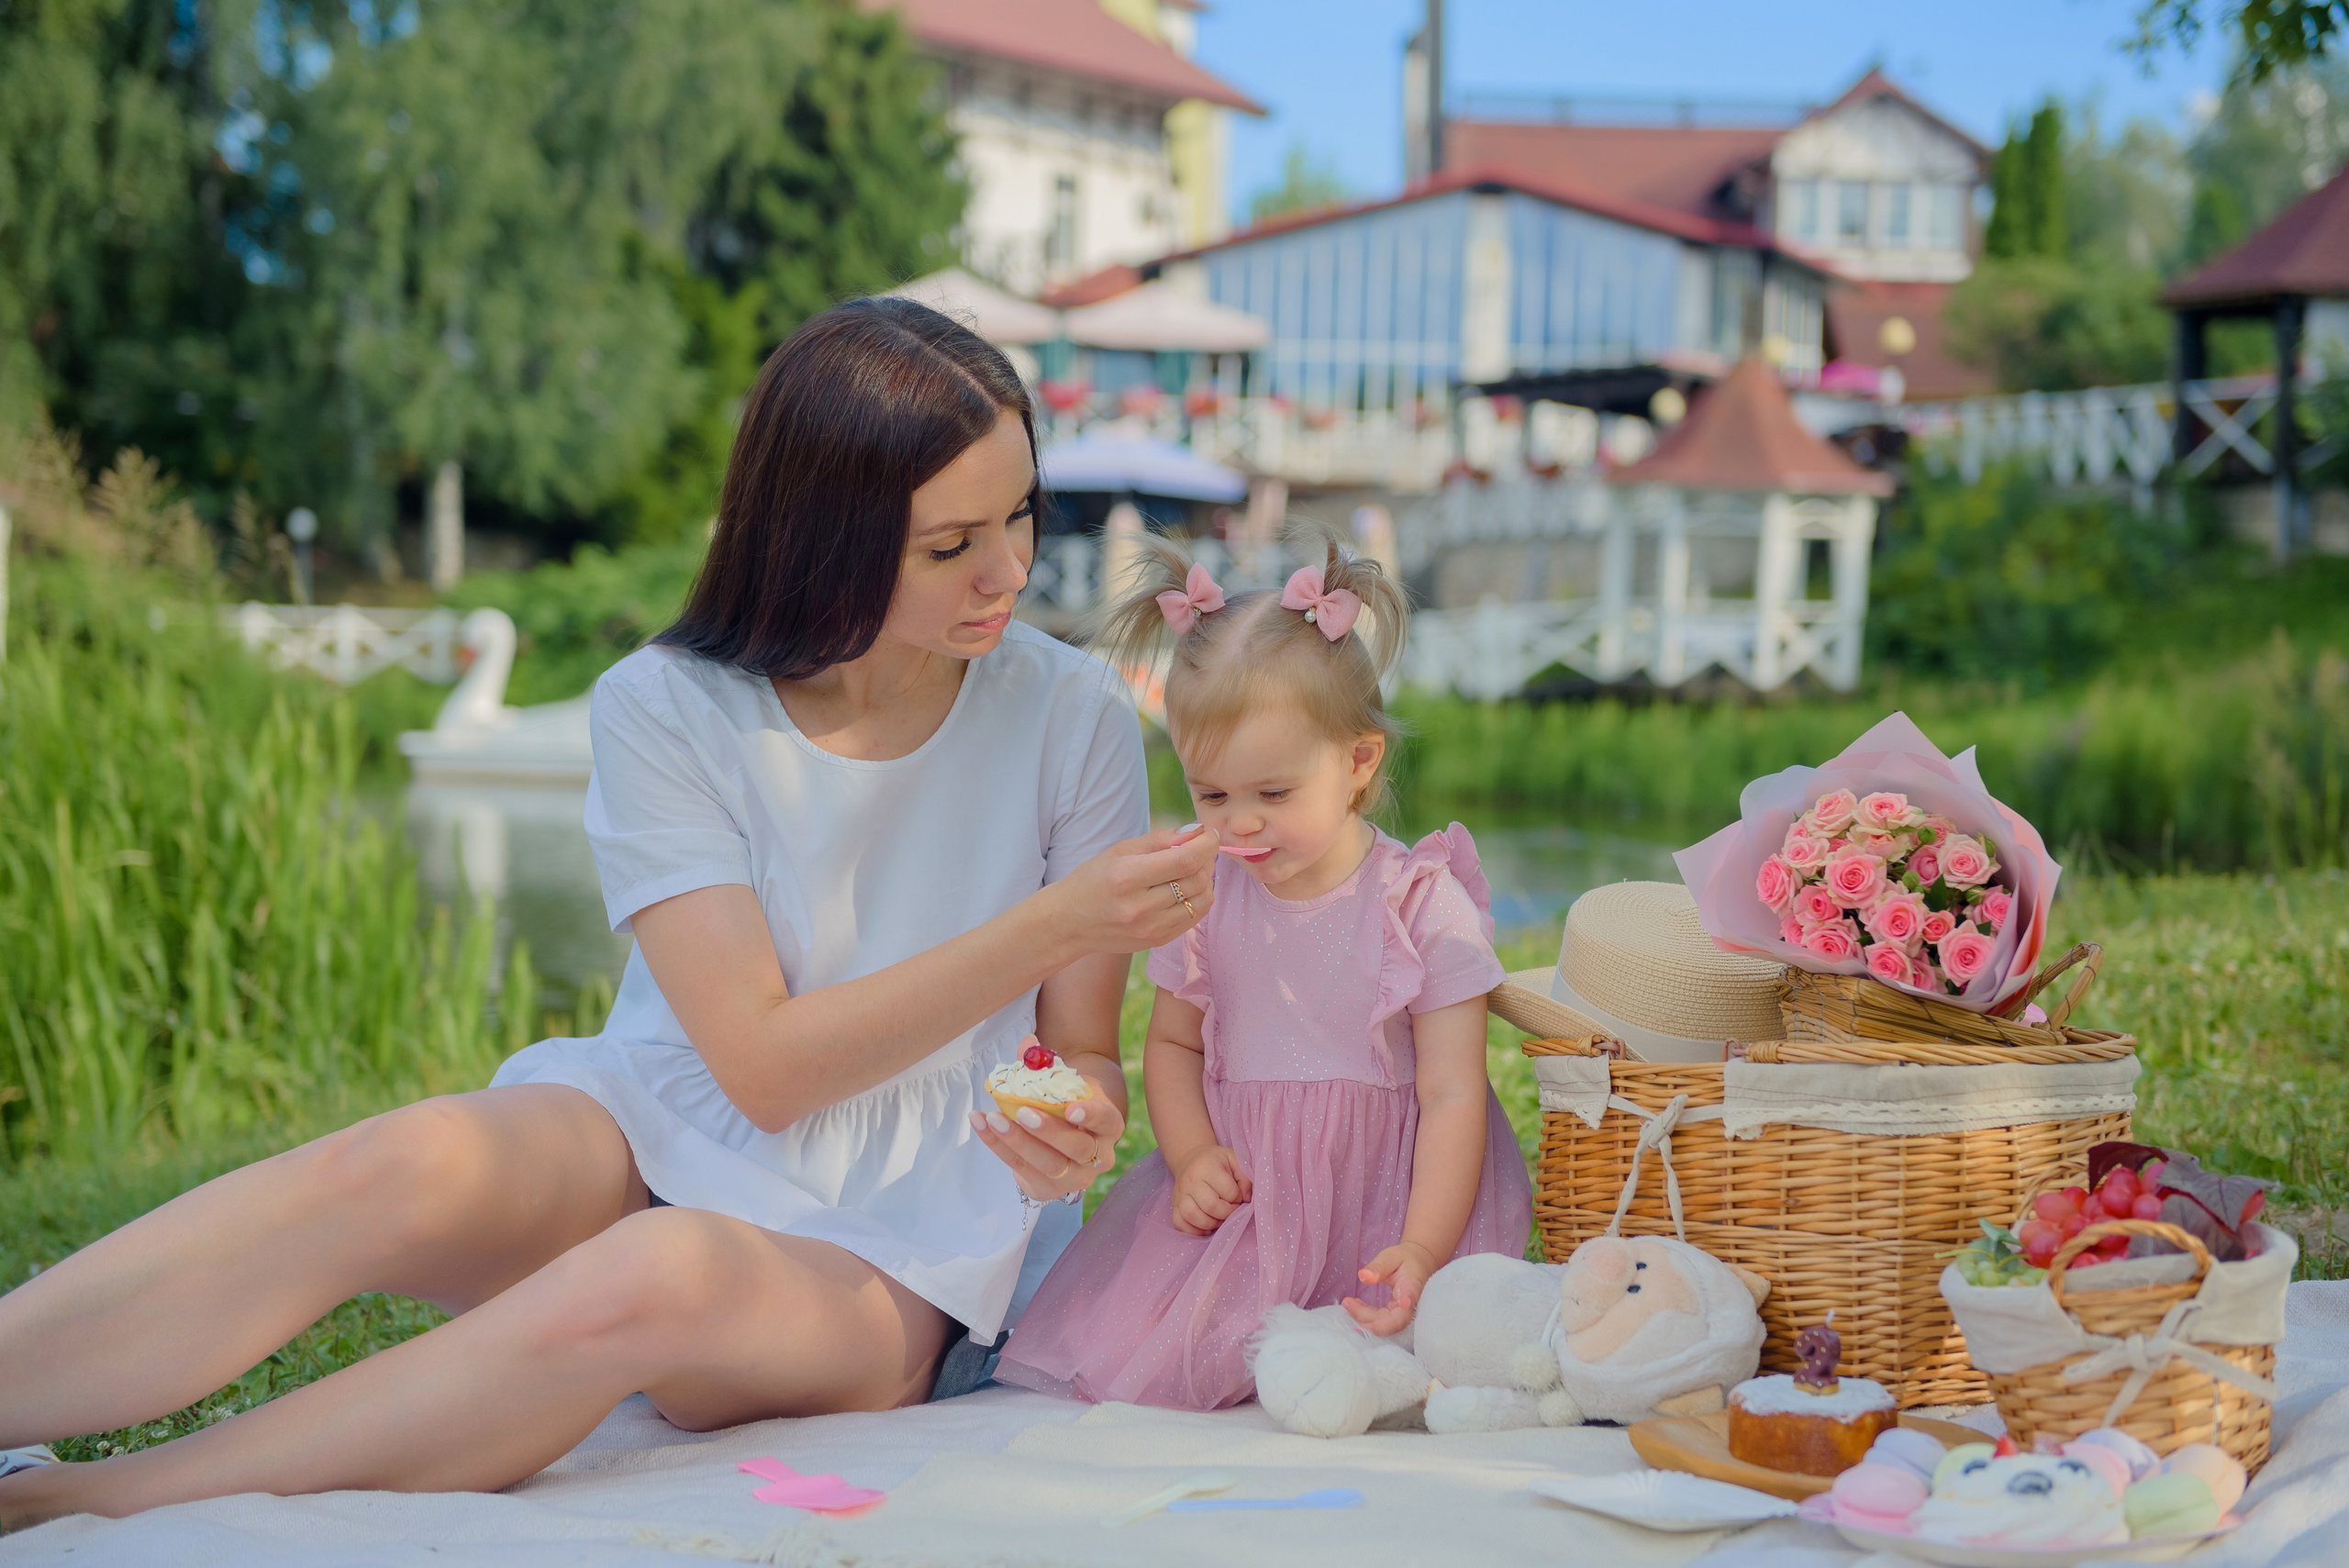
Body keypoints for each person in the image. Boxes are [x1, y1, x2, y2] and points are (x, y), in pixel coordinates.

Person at [0, 299, 1221, 1528]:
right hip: (667, 1126)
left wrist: (1079, 1120)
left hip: (913, 1239)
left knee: (658, 1270)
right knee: (404, 1157)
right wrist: (1057, 921)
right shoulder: (667, 704)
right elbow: (760, 1068)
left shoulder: (1070, 713)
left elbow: (1079, 1061)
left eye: (1021, 515)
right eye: (953, 543)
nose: (1010, 570)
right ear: (828, 538)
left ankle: (65, 1504)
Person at [993, 539, 1532, 1411]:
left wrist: (1426, 1247)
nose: (1241, 824)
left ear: (1358, 763)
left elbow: (1454, 1094)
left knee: (1421, 1349)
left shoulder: (1419, 903)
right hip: (1250, 1201)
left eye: (1274, 795)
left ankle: (1385, 1317)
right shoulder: (1206, 896)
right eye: (1211, 795)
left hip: (1391, 1200)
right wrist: (1192, 1151)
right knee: (1174, 1356)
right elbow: (1169, 1043)